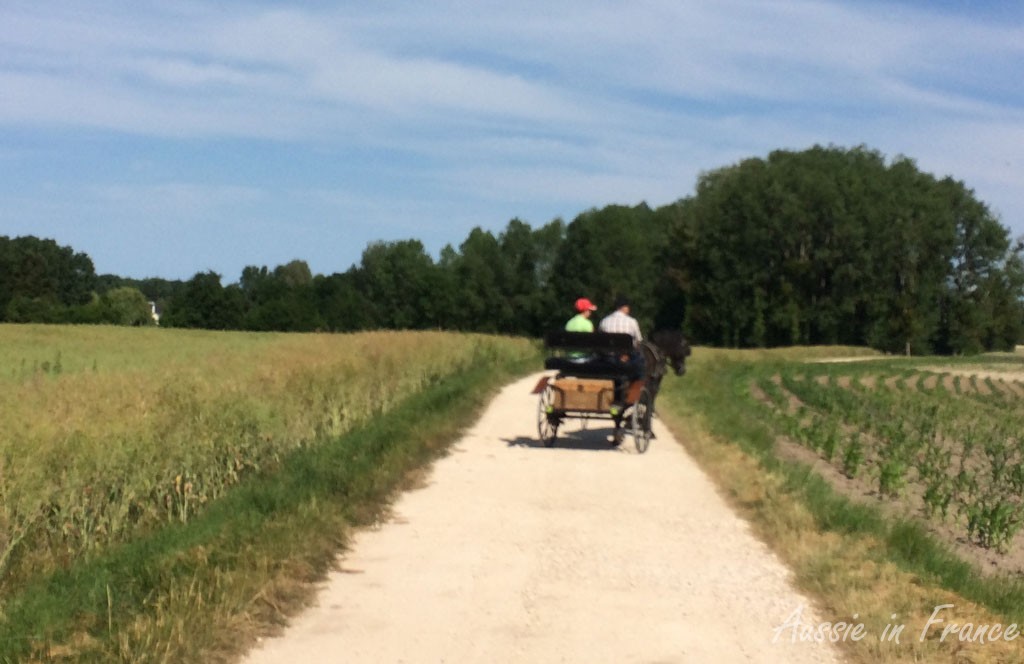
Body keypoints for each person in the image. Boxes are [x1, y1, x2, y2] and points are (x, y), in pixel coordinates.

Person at [598, 296, 645, 406]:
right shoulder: (632, 322)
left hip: (607, 359)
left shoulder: (604, 321)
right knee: (641, 368)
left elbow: (600, 340)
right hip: (625, 359)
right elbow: (638, 341)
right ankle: (633, 397)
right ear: (624, 308)